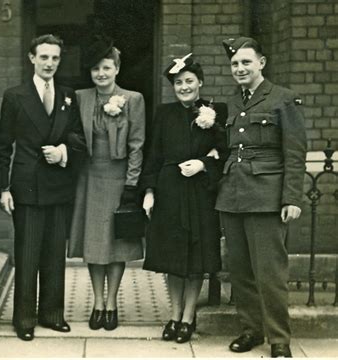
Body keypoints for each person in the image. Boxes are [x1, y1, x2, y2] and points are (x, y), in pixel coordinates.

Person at [216, 37, 307, 358]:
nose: (239, 69)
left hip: (267, 196)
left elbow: (294, 153)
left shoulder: (283, 100)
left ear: (261, 63)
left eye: (245, 62)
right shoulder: (233, 102)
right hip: (233, 196)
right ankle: (251, 330)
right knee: (240, 270)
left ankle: (279, 338)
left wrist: (291, 198)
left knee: (270, 273)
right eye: (235, 64)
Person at [0, 34, 85, 341]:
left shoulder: (67, 95)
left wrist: (63, 152)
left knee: (53, 255)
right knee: (28, 254)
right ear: (32, 58)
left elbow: (77, 137)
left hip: (58, 184)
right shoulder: (15, 96)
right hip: (28, 187)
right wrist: (3, 188)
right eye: (44, 57)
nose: (50, 63)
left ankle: (52, 314)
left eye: (55, 58)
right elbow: (3, 146)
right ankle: (24, 319)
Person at [140, 54, 227, 344]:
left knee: (195, 259)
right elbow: (153, 154)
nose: (184, 87)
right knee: (172, 257)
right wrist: (150, 191)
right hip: (169, 191)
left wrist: (204, 164)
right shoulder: (164, 113)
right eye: (179, 83)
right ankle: (174, 315)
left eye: (189, 81)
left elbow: (224, 154)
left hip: (201, 192)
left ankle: (188, 317)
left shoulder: (216, 111)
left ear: (200, 82)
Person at [67, 37, 145, 331]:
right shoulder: (79, 97)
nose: (101, 73)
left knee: (115, 245)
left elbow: (137, 145)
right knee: (94, 244)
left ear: (117, 69)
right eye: (96, 68)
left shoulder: (133, 99)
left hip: (118, 178)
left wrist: (131, 185)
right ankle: (97, 302)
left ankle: (112, 302)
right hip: (88, 178)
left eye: (107, 67)